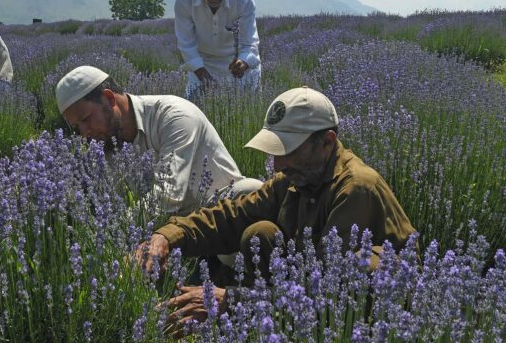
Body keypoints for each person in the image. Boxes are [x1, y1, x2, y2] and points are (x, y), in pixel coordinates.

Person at [139, 86, 417, 328]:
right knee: (260, 232)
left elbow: (330, 291)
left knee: (361, 269)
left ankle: (258, 321)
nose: (277, 165)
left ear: (327, 142)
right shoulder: (296, 178)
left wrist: (232, 301)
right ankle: (258, 319)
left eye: (289, 151)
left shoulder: (356, 189)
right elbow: (232, 217)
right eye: (275, 152)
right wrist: (167, 237)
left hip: (364, 311)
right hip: (313, 285)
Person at [55, 65, 262, 216]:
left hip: (219, 215)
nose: (84, 133)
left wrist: (115, 234)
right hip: (169, 234)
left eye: (85, 119)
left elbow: (168, 195)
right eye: (76, 127)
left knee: (250, 190)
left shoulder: (173, 115)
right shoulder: (105, 143)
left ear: (109, 99)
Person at [174, 0, 261, 97]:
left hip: (238, 64)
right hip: (202, 64)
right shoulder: (184, 0)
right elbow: (186, 45)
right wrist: (202, 75)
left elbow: (250, 42)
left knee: (243, 113)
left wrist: (244, 61)